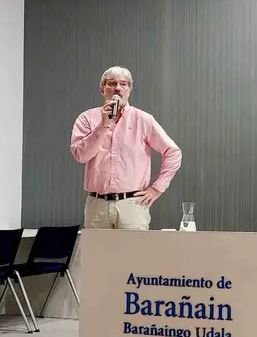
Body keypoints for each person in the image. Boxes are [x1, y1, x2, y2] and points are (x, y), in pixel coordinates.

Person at [70, 66, 182, 231]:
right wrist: (103, 125)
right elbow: (80, 155)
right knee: (97, 249)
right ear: (102, 89)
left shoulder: (143, 119)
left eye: (123, 84)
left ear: (129, 90)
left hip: (132, 204)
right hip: (97, 205)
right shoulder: (87, 118)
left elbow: (173, 152)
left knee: (134, 249)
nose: (117, 88)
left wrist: (157, 188)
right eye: (112, 83)